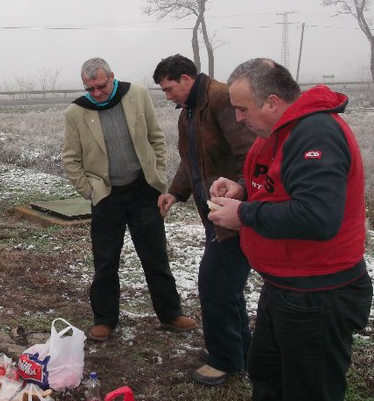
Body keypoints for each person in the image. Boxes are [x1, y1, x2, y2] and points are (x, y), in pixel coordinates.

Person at [209, 58, 373, 401]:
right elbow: (277, 181)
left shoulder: (316, 133)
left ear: (272, 102)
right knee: (268, 374)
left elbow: (318, 217)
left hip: (318, 293)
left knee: (310, 389)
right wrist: (242, 187)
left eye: (242, 109)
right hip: (284, 285)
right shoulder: (277, 131)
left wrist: (245, 214)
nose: (237, 117)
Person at [62, 57, 197, 342]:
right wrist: (91, 191)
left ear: (112, 76)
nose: (96, 93)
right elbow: (71, 160)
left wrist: (158, 175)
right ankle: (105, 320)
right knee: (106, 261)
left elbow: (156, 138)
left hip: (143, 190)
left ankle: (171, 313)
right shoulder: (76, 112)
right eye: (90, 88)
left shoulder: (136, 95)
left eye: (101, 86)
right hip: (106, 196)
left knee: (155, 257)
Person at [153, 55, 255, 386]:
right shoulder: (190, 112)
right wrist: (176, 192)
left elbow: (250, 154)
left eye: (169, 89)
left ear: (186, 78)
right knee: (226, 286)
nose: (168, 96)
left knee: (214, 284)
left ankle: (225, 359)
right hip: (216, 214)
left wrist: (240, 193)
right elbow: (190, 160)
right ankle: (240, 352)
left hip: (235, 212)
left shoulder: (221, 99)